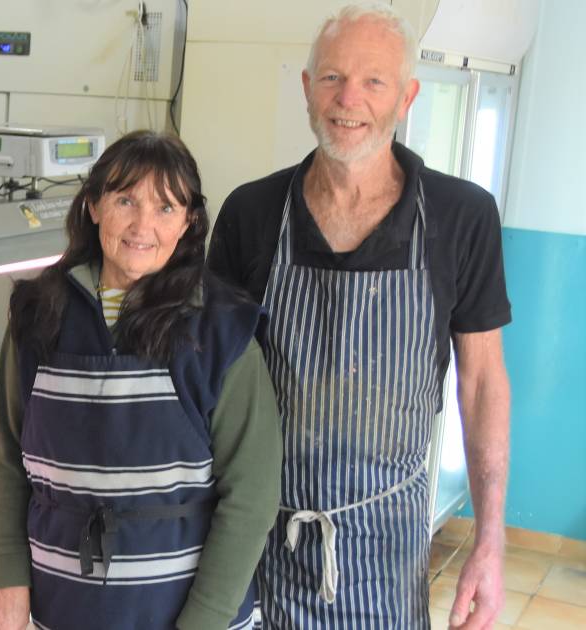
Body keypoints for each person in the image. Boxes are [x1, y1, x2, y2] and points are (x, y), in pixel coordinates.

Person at [207, 4, 511, 629]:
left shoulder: (462, 216)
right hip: (259, 540)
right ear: (307, 89)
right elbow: (209, 381)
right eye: (331, 78)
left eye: (374, 81)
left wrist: (491, 537)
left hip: (388, 550)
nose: (349, 99)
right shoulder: (252, 212)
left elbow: (481, 385)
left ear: (408, 96)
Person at [0, 130, 283, 630]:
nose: (144, 224)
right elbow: (9, 460)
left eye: (166, 208)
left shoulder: (221, 330)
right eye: (126, 200)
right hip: (59, 610)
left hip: (184, 615)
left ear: (188, 223)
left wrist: (203, 622)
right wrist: (10, 581)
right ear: (95, 206)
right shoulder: (38, 316)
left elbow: (251, 497)